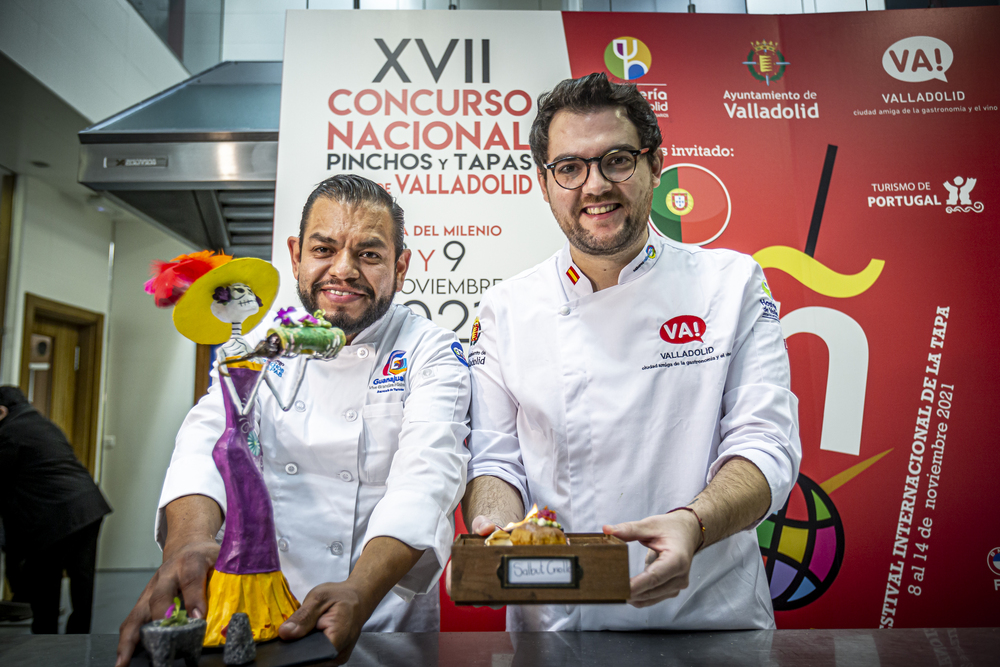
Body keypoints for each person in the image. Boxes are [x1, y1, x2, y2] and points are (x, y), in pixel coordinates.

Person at [459, 73, 801, 631]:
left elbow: (765, 445)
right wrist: (496, 537)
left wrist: (693, 523)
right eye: (569, 168)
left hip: (708, 618)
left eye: (616, 160)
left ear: (654, 165)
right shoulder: (505, 308)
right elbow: (496, 462)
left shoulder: (731, 283)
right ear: (544, 185)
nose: (593, 185)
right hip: (556, 622)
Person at [117, 175, 471, 666]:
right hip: (252, 610)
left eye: (369, 255)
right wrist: (188, 542)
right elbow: (207, 436)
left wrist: (360, 591)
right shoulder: (261, 339)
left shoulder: (433, 350)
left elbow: (427, 477)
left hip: (377, 622)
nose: (342, 271)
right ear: (296, 254)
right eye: (324, 249)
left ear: (401, 265)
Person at [0, 385, 112, 634]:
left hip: (54, 513)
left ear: (2, 411)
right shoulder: (43, 424)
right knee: (82, 576)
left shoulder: (9, 432)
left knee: (46, 576)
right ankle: (79, 635)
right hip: (89, 504)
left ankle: (45, 635)